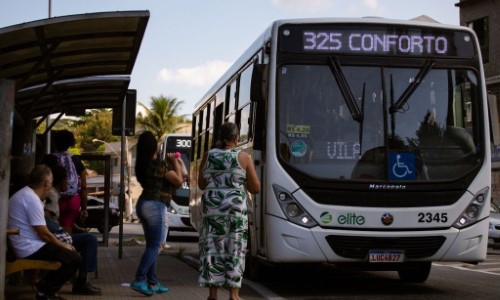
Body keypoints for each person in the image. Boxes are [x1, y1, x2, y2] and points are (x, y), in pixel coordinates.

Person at [197, 122, 261, 300]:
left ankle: (212, 294)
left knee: (213, 250)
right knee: (235, 251)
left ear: (220, 137)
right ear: (237, 138)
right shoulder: (244, 157)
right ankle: (234, 295)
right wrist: (241, 183)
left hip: (213, 214)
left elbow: (202, 185)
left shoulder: (208, 155)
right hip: (235, 214)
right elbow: (255, 188)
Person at [8, 165, 82, 300]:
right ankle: (45, 292)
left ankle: (44, 288)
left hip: (27, 244)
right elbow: (44, 233)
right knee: (74, 258)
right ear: (46, 183)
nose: (51, 186)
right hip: (29, 247)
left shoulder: (26, 194)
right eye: (51, 182)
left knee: (70, 255)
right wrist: (62, 245)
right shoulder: (31, 198)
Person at [130, 131, 183, 296]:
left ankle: (152, 282)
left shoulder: (142, 165)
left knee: (151, 245)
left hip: (143, 204)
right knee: (156, 245)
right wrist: (174, 161)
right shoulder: (160, 164)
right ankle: (139, 279)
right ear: (154, 146)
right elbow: (179, 180)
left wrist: (175, 162)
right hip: (156, 205)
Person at [44, 165, 101, 295]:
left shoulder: (55, 194)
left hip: (54, 235)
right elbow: (47, 219)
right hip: (53, 237)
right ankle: (81, 283)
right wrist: (61, 233)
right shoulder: (52, 195)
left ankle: (81, 281)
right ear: (60, 180)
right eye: (66, 179)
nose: (68, 183)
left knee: (87, 238)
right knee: (90, 240)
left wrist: (76, 228)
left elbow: (53, 219)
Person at [42, 129, 88, 233]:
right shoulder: (77, 160)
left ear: (55, 142)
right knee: (67, 231)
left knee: (51, 229)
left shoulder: (48, 159)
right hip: (73, 201)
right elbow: (84, 187)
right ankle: (67, 247)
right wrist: (84, 208)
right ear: (71, 143)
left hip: (52, 198)